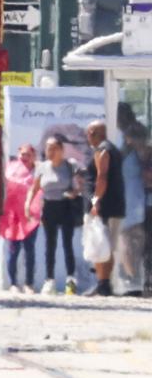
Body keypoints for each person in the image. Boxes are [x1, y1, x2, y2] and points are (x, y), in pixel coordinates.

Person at [26, 137, 81, 295]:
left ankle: (71, 282)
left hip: (66, 206)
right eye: (47, 148)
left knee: (67, 244)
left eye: (53, 148)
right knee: (50, 246)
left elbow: (78, 187)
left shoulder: (69, 166)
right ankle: (49, 281)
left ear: (61, 150)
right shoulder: (42, 167)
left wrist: (73, 193)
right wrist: (28, 204)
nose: (49, 152)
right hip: (49, 207)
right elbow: (34, 188)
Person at [84, 120, 125, 297]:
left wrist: (95, 200)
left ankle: (103, 284)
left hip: (104, 206)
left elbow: (102, 177)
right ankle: (103, 283)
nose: (87, 137)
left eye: (88, 133)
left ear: (93, 132)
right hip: (115, 204)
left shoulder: (102, 150)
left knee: (101, 243)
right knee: (107, 245)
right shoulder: (113, 149)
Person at [1, 144, 39, 293]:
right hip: (14, 216)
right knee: (13, 250)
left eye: (28, 155)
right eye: (22, 154)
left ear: (33, 156)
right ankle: (13, 284)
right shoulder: (10, 169)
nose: (24, 158)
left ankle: (29, 283)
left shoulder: (38, 171)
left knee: (29, 250)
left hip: (31, 216)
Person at [117, 124, 148, 296]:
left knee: (138, 242)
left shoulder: (140, 153)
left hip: (138, 200)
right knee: (128, 242)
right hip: (129, 200)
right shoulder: (125, 154)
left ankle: (135, 278)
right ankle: (132, 279)